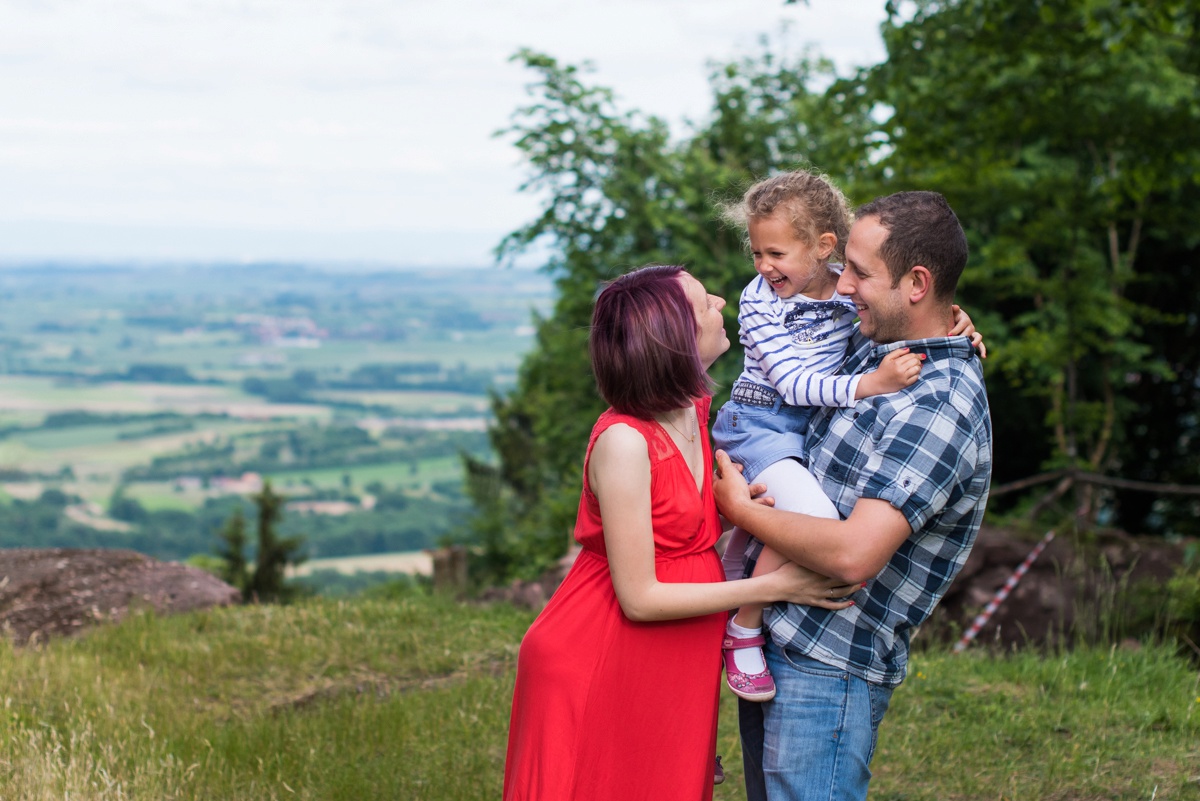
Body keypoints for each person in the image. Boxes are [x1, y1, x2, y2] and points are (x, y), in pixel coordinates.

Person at [502, 264, 860, 801]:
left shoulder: (695, 409)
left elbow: (819, 329)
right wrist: (774, 588)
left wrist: (948, 329)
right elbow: (640, 598)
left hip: (669, 664)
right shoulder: (624, 442)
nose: (721, 301)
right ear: (676, 341)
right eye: (702, 304)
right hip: (600, 659)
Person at [713, 191, 993, 801]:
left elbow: (851, 557)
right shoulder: (882, 344)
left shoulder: (937, 405)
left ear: (916, 283)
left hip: (828, 669)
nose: (843, 288)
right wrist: (952, 317)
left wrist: (737, 509)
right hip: (782, 639)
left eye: (861, 273)